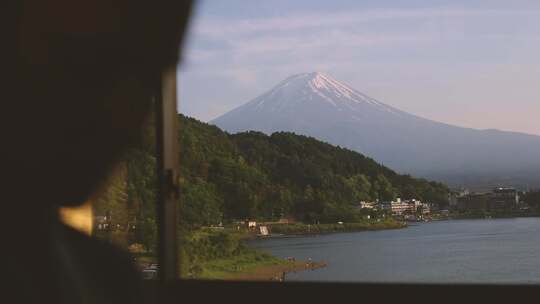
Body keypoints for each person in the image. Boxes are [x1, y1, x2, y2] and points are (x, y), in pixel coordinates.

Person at [3, 1, 193, 303]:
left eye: (147, 80)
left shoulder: (108, 276)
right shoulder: (100, 276)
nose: (130, 122)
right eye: (96, 65)